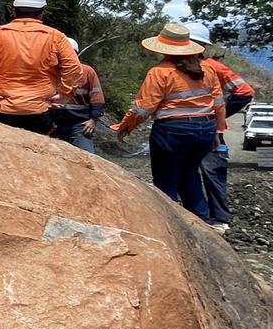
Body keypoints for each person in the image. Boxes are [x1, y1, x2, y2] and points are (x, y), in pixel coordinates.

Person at [111, 23, 226, 223]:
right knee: (190, 175)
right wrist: (218, 130)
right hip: (204, 129)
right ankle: (203, 224)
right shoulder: (207, 69)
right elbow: (219, 103)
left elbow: (144, 108)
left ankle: (169, 227)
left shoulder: (160, 72)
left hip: (173, 132)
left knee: (166, 183)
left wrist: (124, 127)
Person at [0, 0, 84, 135]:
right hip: (38, 111)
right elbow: (74, 68)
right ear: (42, 12)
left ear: (14, 11)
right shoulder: (56, 37)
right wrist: (65, 93)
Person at [184, 22, 255, 232]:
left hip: (204, 131)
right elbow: (244, 91)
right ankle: (209, 218)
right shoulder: (209, 67)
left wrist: (218, 115)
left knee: (203, 173)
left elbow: (244, 92)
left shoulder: (212, 67)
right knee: (198, 173)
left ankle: (214, 219)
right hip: (206, 130)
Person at [50, 37, 105, 152]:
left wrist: (93, 120)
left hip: (80, 122)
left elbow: (97, 98)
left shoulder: (87, 72)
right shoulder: (51, 71)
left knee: (86, 154)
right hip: (55, 121)